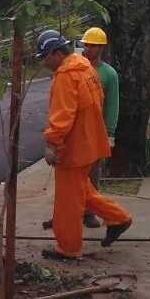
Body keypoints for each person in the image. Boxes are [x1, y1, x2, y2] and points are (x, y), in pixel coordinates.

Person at [36, 29, 131, 261]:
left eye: (45, 57)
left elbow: (62, 115)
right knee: (82, 190)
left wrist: (52, 143)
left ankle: (68, 248)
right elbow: (97, 101)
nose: (44, 62)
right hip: (88, 142)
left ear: (56, 53)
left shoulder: (67, 75)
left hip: (74, 148)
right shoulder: (85, 68)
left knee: (69, 200)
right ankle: (119, 218)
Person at [80, 27, 119, 228]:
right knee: (73, 175)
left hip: (96, 131)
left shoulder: (108, 74)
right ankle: (71, 211)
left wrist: (110, 133)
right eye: (86, 45)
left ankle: (89, 212)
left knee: (93, 174)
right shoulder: (77, 69)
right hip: (78, 131)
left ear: (101, 47)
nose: (88, 49)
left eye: (93, 45)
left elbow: (113, 104)